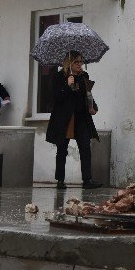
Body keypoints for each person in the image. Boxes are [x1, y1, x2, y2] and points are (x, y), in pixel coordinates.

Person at [45, 51, 102, 189]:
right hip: (65, 118)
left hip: (81, 117)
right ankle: (60, 180)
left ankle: (87, 180)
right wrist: (67, 85)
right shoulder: (59, 77)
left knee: (85, 147)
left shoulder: (84, 76)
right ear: (69, 63)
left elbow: (88, 94)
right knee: (62, 149)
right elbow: (55, 98)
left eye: (81, 61)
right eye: (76, 62)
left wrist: (93, 107)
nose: (79, 64)